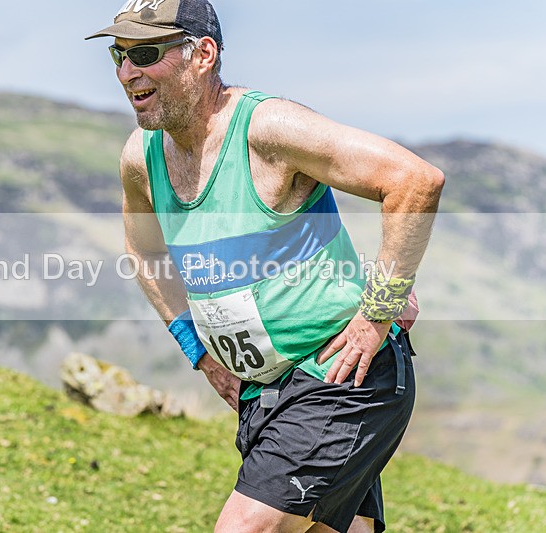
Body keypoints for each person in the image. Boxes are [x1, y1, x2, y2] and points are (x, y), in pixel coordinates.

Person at [86, 1, 443, 532]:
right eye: (119, 54)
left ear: (201, 54)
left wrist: (377, 313)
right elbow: (146, 251)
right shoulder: (142, 157)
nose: (126, 72)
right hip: (264, 395)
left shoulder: (267, 128)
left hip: (340, 377)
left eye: (145, 53)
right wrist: (200, 353)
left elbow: (414, 181)